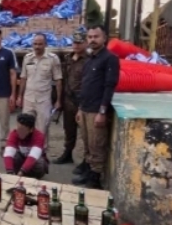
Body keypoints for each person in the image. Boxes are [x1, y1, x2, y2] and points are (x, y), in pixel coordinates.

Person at [72, 25, 120, 189]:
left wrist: (102, 111)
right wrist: (79, 109)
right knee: (87, 143)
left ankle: (95, 179)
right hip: (85, 108)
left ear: (104, 38)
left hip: (96, 111)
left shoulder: (110, 59)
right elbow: (84, 86)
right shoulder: (90, 59)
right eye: (90, 37)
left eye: (96, 36)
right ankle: (87, 171)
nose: (92, 40)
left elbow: (109, 86)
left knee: (97, 145)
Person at [17, 33, 62, 145]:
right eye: (35, 44)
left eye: (40, 44)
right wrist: (19, 96)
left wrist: (58, 100)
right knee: (24, 126)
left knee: (42, 129)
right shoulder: (27, 58)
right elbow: (23, 78)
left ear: (45, 44)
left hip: (44, 100)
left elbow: (58, 80)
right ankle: (26, 152)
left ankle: (41, 153)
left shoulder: (53, 59)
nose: (37, 47)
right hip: (28, 99)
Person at [53, 29, 88, 166]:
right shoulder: (68, 59)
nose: (76, 45)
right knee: (69, 130)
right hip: (68, 100)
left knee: (85, 133)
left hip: (82, 101)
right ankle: (67, 154)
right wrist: (59, 100)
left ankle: (86, 161)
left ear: (85, 43)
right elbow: (62, 80)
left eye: (79, 43)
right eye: (74, 42)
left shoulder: (88, 60)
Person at [3, 113, 49, 179]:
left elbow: (33, 156)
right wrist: (9, 173)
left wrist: (22, 171)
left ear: (31, 130)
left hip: (35, 161)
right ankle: (17, 174)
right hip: (22, 158)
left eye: (22, 130)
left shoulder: (39, 136)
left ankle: (34, 177)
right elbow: (8, 154)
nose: (19, 132)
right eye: (18, 128)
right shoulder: (14, 133)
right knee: (14, 157)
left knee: (40, 164)